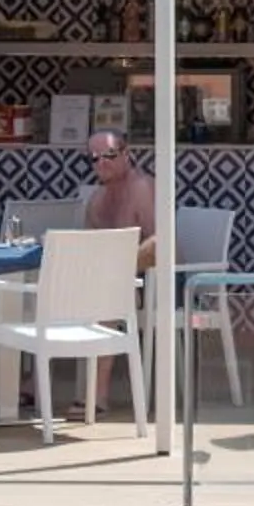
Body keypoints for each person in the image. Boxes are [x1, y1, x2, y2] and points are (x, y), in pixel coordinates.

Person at [76, 131, 158, 415]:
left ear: (126, 154)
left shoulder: (143, 189)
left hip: (156, 282)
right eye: (94, 158)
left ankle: (98, 396)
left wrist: (121, 267)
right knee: (54, 288)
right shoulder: (97, 200)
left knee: (109, 286)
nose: (101, 163)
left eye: (109, 156)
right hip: (112, 281)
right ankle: (34, 387)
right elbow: (89, 247)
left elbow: (161, 243)